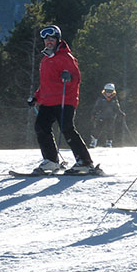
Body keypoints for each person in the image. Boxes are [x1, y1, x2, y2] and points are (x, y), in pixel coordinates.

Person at [28, 25, 96, 174]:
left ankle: (84, 161)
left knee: (66, 128)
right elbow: (46, 84)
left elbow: (76, 78)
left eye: (52, 39)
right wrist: (36, 97)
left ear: (58, 40)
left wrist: (68, 78)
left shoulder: (66, 57)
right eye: (46, 40)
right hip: (48, 102)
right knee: (41, 127)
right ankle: (51, 161)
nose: (48, 42)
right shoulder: (45, 60)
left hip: (65, 99)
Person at [89, 82, 125, 147]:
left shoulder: (114, 99)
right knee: (98, 129)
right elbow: (96, 107)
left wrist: (120, 113)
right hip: (101, 116)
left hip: (111, 117)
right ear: (104, 91)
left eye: (110, 91)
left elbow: (117, 108)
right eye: (107, 91)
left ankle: (109, 142)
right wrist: (94, 114)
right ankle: (93, 142)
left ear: (113, 92)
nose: (108, 93)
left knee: (110, 129)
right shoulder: (101, 99)